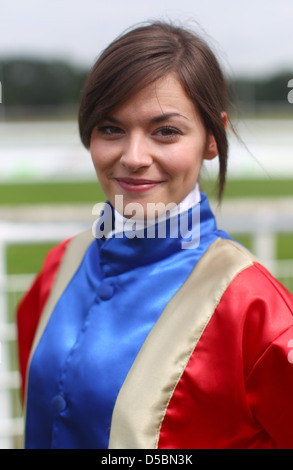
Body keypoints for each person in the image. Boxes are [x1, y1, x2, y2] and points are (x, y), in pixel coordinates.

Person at [17, 21, 293, 449]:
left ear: (211, 139)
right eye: (111, 129)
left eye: (166, 131)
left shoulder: (256, 308)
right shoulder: (60, 266)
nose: (133, 157)